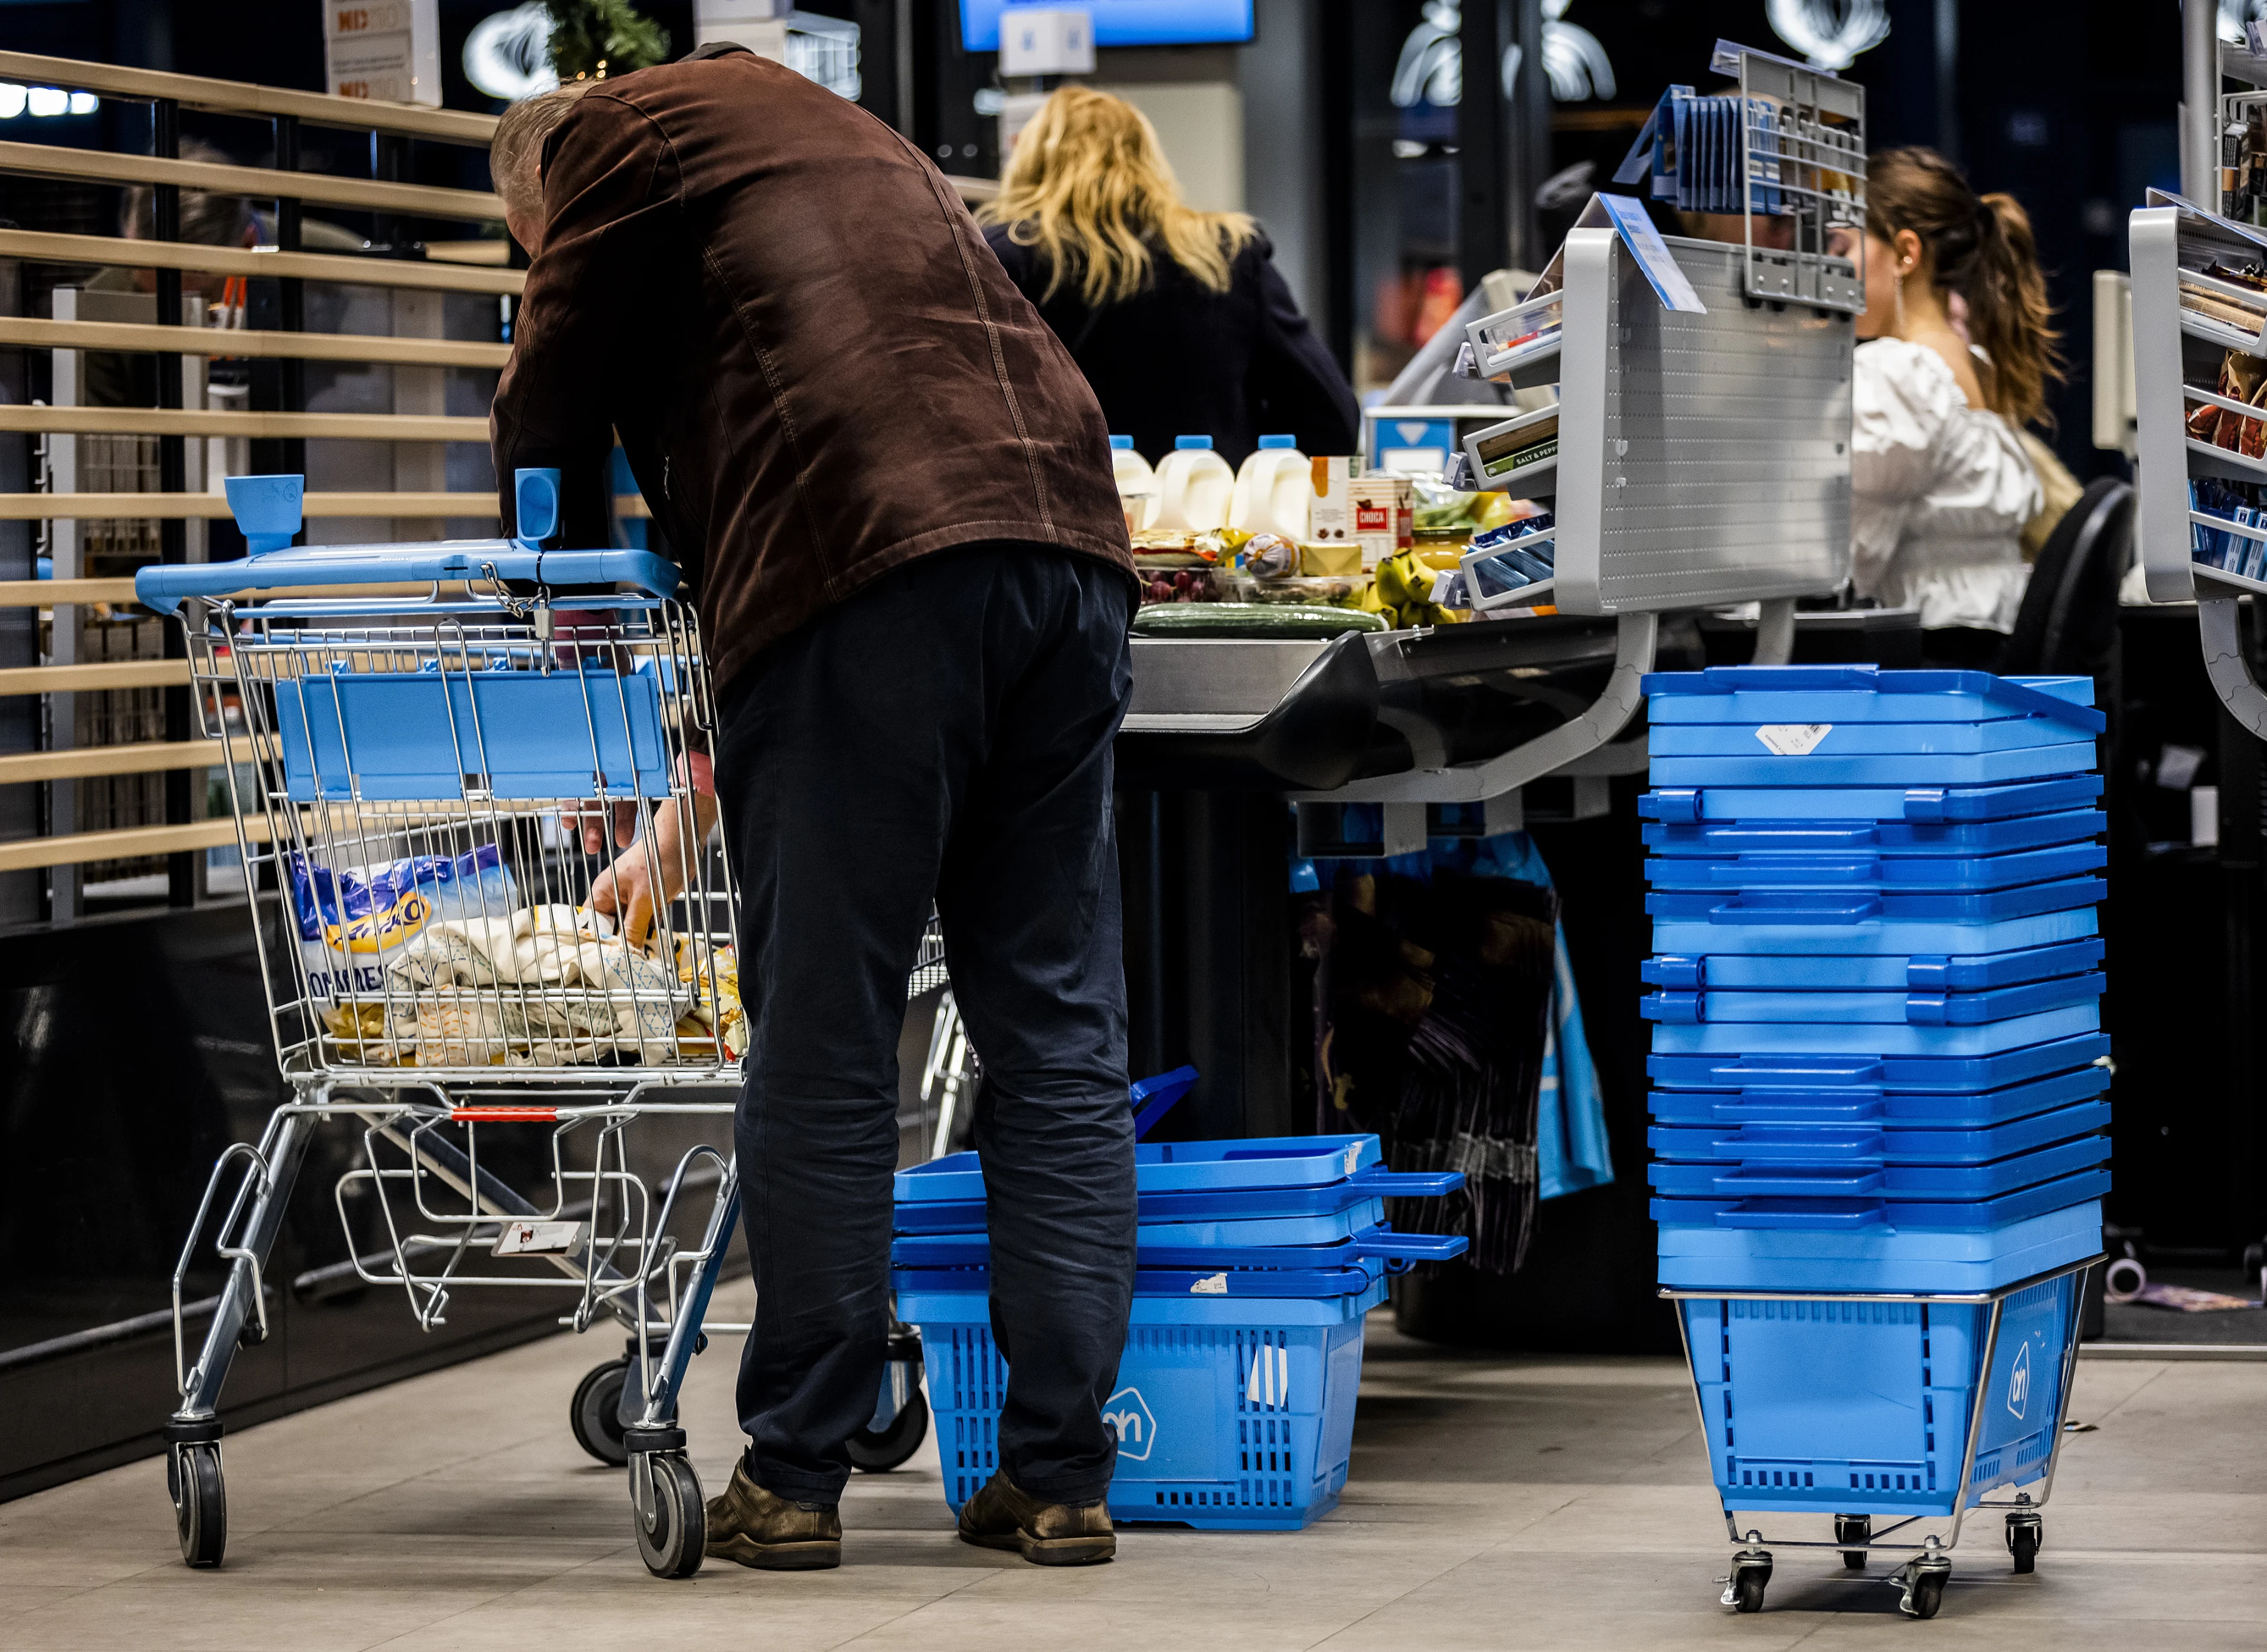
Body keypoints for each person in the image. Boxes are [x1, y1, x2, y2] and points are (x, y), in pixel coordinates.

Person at [487, 47, 1139, 1569]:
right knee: (1050, 1021)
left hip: (868, 564)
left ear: (538, 185)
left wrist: (564, 609)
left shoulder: (604, 137)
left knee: (828, 1029)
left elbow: (552, 387)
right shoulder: (813, 125)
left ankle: (793, 1470)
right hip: (1065, 541)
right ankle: (1056, 1473)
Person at [977, 86, 1358, 467]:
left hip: (1061, 515)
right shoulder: (1225, 254)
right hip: (1209, 515)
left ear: (1029, 163)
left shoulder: (999, 257)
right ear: (1148, 160)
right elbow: (1332, 416)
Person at [1845, 148, 2058, 660]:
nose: (1836, 267)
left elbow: (1847, 555)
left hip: (1933, 658)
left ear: (1905, 254)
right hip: (1988, 640)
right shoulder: (1975, 361)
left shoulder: (1897, 371)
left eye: (1844, 245)